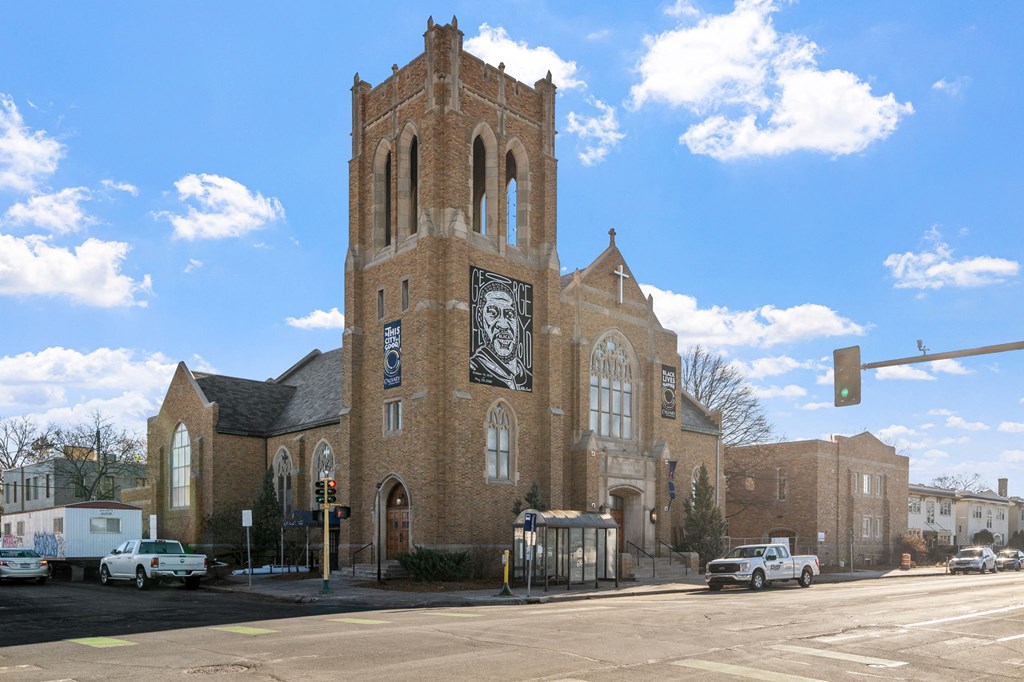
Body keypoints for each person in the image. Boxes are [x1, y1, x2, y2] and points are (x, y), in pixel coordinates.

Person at [470, 280, 529, 390]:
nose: (503, 325)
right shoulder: (473, 368)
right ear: (479, 317)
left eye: (509, 314)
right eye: (493, 313)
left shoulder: (526, 377)